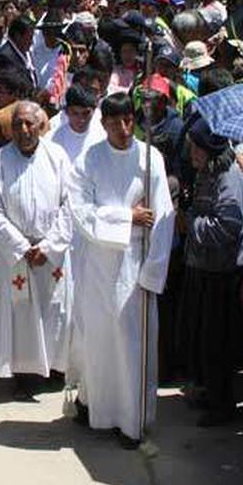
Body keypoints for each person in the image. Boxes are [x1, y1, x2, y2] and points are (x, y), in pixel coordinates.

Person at [68, 92, 175, 448]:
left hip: (136, 267)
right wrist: (125, 216)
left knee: (131, 346)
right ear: (104, 124)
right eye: (115, 123)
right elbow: (80, 210)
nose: (124, 129)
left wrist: (152, 273)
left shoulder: (150, 158)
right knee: (99, 342)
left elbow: (163, 217)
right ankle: (95, 406)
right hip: (100, 266)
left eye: (129, 120)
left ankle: (131, 422)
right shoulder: (91, 159)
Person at [0, 101, 73, 400]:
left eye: (30, 124)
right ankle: (24, 374)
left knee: (55, 310)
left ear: (40, 125)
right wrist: (23, 248)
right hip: (18, 254)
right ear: (11, 128)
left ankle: (55, 369)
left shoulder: (58, 157)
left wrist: (47, 246)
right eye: (18, 124)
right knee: (21, 315)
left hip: (51, 253)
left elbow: (68, 205)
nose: (24, 130)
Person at [175, 117, 243, 427]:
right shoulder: (207, 173)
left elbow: (227, 228)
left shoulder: (229, 179)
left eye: (197, 147)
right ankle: (210, 392)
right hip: (204, 269)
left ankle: (222, 404)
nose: (191, 152)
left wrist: (191, 224)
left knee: (217, 343)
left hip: (223, 274)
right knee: (203, 339)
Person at [45, 84, 105, 164]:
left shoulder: (103, 137)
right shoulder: (50, 139)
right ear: (66, 111)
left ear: (94, 110)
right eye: (75, 113)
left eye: (85, 113)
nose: (81, 120)